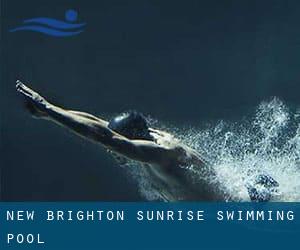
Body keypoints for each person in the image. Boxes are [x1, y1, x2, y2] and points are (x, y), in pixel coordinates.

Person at [15, 80, 277, 201]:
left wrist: (48, 109)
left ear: (132, 140)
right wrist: (51, 113)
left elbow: (105, 137)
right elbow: (99, 125)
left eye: (115, 146)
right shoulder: (146, 139)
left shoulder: (162, 154)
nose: (111, 151)